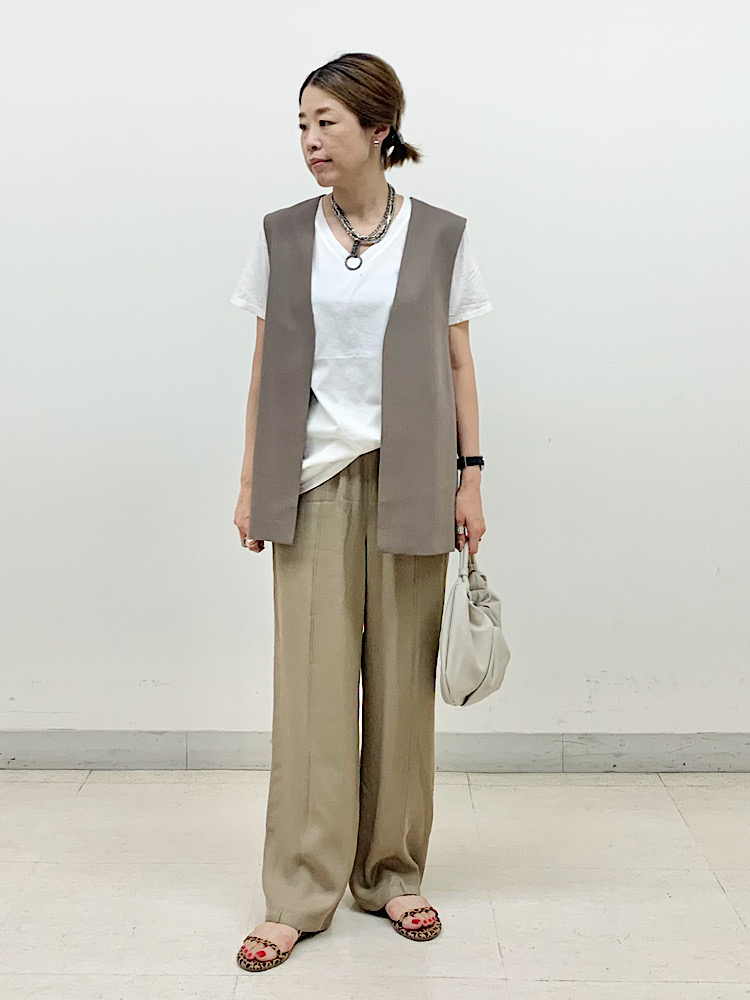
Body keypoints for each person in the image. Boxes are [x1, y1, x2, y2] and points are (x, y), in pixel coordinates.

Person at [230, 52, 493, 972]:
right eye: (302, 125)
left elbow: (458, 362)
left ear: (379, 128)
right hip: (310, 481)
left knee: (401, 690)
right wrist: (249, 480)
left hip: (414, 475)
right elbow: (263, 365)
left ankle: (392, 875)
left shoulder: (442, 236)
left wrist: (470, 478)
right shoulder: (281, 235)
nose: (310, 141)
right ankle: (299, 891)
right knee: (310, 692)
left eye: (327, 123)